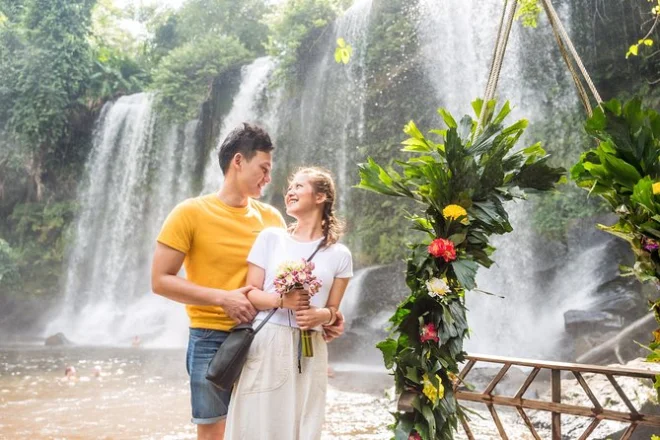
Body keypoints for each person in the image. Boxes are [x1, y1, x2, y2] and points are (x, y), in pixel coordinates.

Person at [152, 124, 344, 440]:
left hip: (267, 337)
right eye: (263, 169)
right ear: (238, 161)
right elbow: (160, 281)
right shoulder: (189, 213)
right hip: (211, 336)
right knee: (213, 431)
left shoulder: (272, 219)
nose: (268, 179)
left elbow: (306, 275)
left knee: (265, 428)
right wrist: (223, 298)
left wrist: (329, 315)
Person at [224, 167, 353, 440]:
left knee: (304, 422)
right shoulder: (270, 238)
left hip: (311, 347)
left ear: (320, 197)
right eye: (290, 187)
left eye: (298, 186)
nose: (290, 192)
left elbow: (333, 310)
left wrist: (322, 316)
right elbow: (250, 293)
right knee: (258, 421)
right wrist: (283, 300)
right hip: (268, 339)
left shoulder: (340, 255)